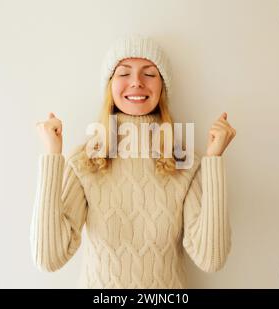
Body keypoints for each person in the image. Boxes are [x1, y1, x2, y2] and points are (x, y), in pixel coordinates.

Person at [30, 34, 237, 288]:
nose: (136, 82)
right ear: (110, 86)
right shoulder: (85, 160)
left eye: (149, 74)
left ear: (162, 88)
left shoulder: (184, 161)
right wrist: (53, 155)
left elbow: (211, 258)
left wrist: (213, 160)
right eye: (124, 73)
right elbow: (49, 258)